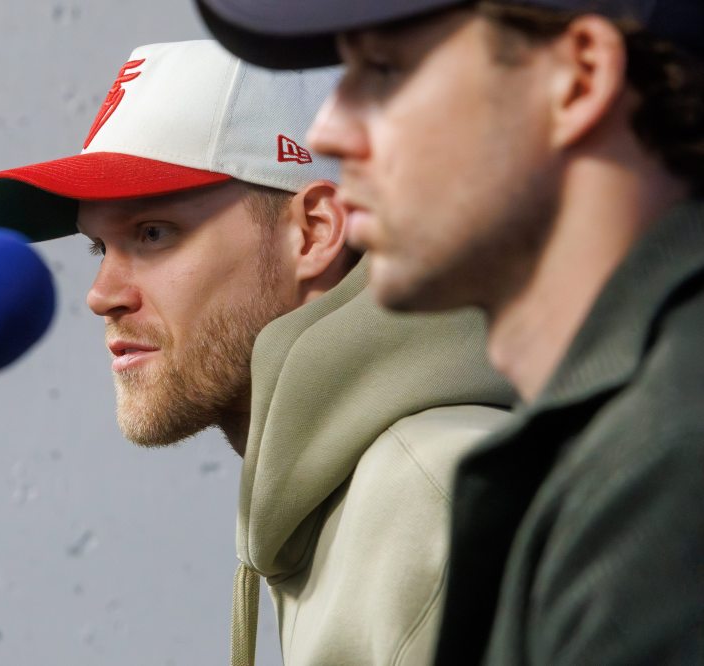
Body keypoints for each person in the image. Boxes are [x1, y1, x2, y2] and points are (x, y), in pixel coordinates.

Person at [0, 40, 512, 665]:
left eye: (153, 233)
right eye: (100, 247)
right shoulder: (342, 498)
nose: (101, 296)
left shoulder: (442, 506)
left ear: (313, 232)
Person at [195, 0, 704, 664]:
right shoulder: (616, 440)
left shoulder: (666, 463)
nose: (329, 131)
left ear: (577, 80)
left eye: (383, 68)